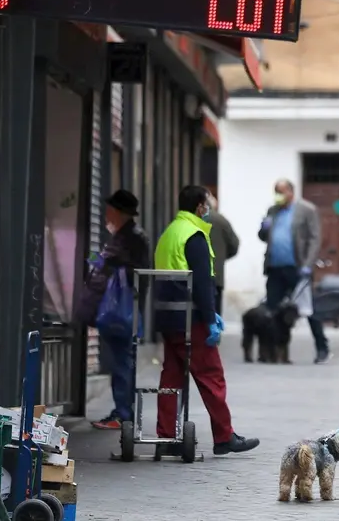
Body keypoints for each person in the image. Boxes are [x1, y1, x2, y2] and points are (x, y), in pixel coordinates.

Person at [155, 185, 260, 455]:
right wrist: (210, 316)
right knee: (211, 375)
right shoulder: (195, 235)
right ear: (201, 206)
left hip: (168, 317)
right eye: (208, 203)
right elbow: (202, 282)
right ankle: (224, 437)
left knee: (172, 376)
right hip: (192, 319)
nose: (209, 207)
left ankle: (166, 436)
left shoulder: (170, 232)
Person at [77, 190, 151, 431]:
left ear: (118, 212)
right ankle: (122, 412)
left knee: (121, 362)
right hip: (125, 306)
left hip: (121, 308)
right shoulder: (127, 235)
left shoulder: (129, 238)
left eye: (109, 209)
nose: (106, 213)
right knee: (121, 361)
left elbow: (105, 263)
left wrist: (84, 257)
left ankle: (122, 414)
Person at [258, 179, 330, 364]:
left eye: (281, 191)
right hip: (275, 267)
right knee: (271, 310)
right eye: (276, 191)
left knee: (308, 310)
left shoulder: (306, 209)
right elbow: (263, 236)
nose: (278, 196)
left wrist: (308, 264)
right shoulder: (272, 211)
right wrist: (264, 228)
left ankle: (322, 348)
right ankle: (268, 351)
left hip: (297, 268)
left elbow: (315, 238)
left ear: (291, 192)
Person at [206, 191, 240, 316]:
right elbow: (234, 245)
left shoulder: (191, 219)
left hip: (192, 275)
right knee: (214, 313)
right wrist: (220, 258)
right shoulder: (221, 220)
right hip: (215, 275)